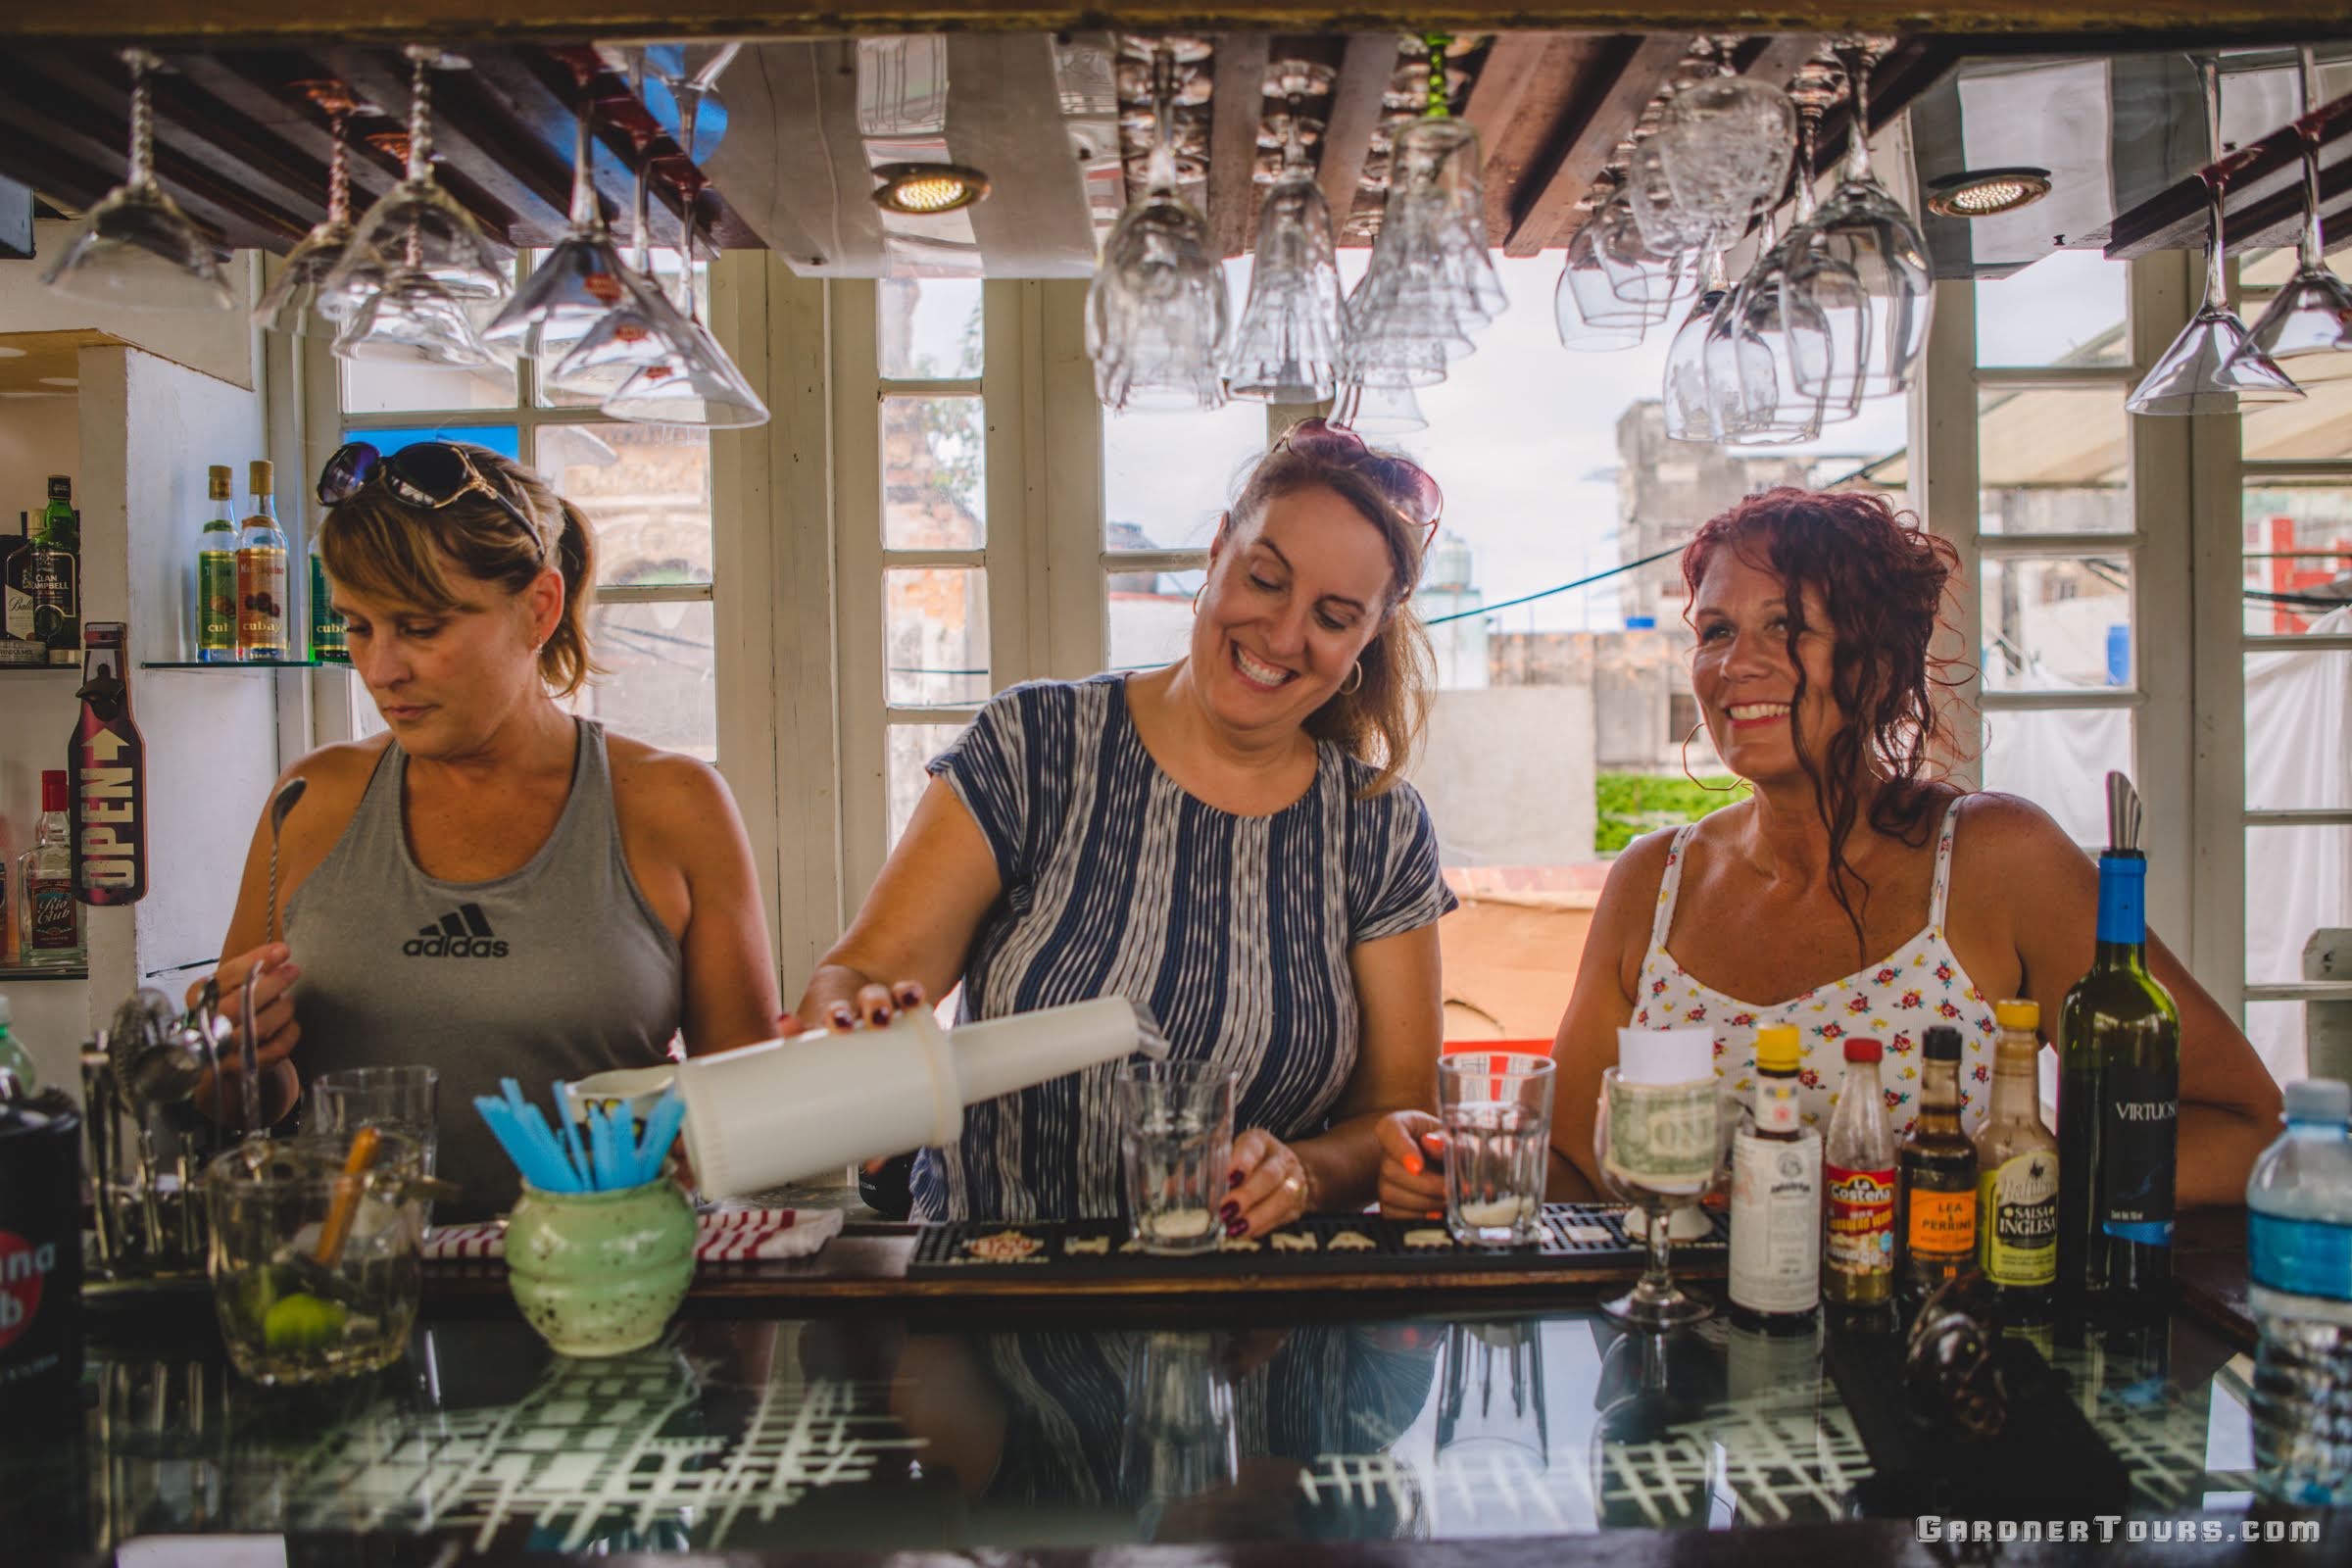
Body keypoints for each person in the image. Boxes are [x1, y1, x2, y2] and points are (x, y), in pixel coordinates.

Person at [1375, 487, 2280, 1217]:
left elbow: (2240, 1124)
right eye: (1717, 631)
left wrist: (2000, 1182)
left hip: (1928, 1384)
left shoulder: (1996, 861)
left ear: (1879, 663)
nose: (1738, 664)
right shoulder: (1654, 880)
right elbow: (1577, 1171)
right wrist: (1463, 1173)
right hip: (1683, 1396)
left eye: (1788, 626)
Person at [799, 419, 1454, 1237]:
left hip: (1253, 1333)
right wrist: (856, 1033)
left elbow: (1395, 1112)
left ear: (1366, 640)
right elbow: (861, 975)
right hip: (997, 1305)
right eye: (1266, 578)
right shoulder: (1037, 746)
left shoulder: (1379, 829)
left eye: (1332, 617)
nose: (1283, 636)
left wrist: (1307, 1174)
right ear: (1217, 552)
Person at [198, 440, 780, 1218]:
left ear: (539, 608)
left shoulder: (672, 806)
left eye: (419, 627)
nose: (380, 669)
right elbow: (244, 1107)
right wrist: (233, 1060)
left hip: (610, 1291)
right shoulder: (312, 802)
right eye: (359, 626)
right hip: (360, 1299)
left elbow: (750, 1119)